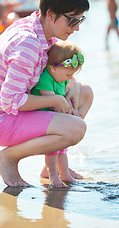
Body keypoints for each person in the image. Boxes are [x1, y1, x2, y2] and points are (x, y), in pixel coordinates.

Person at [0, 0, 93, 187]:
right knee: (76, 129)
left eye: (80, 20)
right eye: (72, 21)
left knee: (84, 92)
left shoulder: (42, 31)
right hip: (4, 117)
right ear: (51, 15)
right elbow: (9, 101)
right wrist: (56, 100)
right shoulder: (28, 43)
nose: (76, 28)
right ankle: (9, 157)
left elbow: (57, 71)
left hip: (14, 111)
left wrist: (72, 86)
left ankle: (52, 164)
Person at [31, 41, 86, 187]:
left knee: (63, 147)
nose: (69, 78)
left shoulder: (61, 78)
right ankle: (53, 175)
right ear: (54, 69)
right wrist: (68, 113)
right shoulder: (45, 79)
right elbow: (54, 104)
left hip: (54, 118)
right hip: (41, 119)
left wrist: (72, 109)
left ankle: (65, 174)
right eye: (68, 74)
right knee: (53, 149)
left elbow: (64, 100)